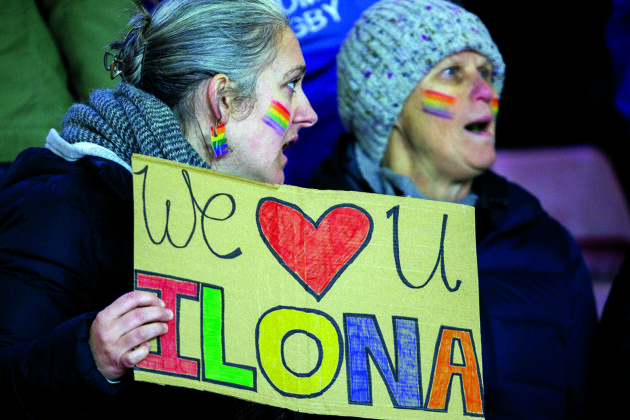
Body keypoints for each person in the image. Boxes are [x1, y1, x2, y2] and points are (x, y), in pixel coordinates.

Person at [0, 0, 317, 418]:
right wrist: (91, 356)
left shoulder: (248, 217)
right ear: (221, 101)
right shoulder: (62, 206)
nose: (308, 114)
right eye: (291, 85)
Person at [309, 0, 597, 418]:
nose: (485, 92)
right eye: (452, 73)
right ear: (387, 106)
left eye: (488, 73)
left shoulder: (547, 249)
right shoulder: (310, 245)